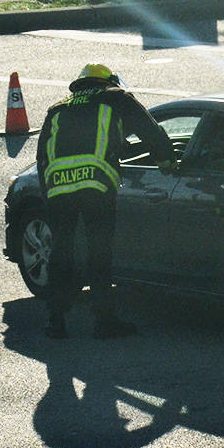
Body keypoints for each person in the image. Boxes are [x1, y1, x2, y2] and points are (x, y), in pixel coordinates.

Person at [36, 63, 173, 339]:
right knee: (99, 252)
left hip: (58, 187)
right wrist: (167, 161)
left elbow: (43, 156)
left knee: (61, 251)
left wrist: (48, 193)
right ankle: (104, 321)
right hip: (95, 184)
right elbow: (150, 131)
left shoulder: (58, 108)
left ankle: (56, 320)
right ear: (108, 81)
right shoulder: (115, 97)